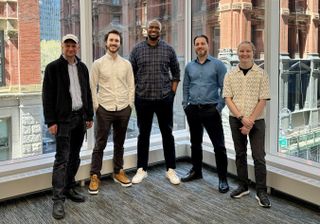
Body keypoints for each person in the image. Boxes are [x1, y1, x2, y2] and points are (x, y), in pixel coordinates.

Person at [42, 34, 94, 219]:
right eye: (67, 46)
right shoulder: (52, 68)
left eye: (73, 46)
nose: (71, 49)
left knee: (74, 157)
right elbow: (47, 96)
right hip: (63, 121)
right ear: (62, 47)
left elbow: (86, 92)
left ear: (77, 47)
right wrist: (51, 121)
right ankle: (58, 199)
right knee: (61, 160)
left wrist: (89, 115)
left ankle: (69, 187)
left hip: (80, 118)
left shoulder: (83, 67)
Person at [129, 19, 181, 185]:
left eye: (156, 28)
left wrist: (172, 94)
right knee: (143, 135)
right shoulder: (137, 50)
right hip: (143, 99)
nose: (153, 30)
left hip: (164, 99)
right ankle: (142, 169)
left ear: (160, 30)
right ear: (146, 30)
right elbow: (131, 76)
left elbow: (176, 73)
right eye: (150, 27)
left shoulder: (168, 49)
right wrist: (135, 95)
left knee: (167, 134)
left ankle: (171, 170)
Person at [223, 41, 271, 208]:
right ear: (238, 53)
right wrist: (242, 117)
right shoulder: (230, 74)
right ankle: (243, 186)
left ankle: (261, 191)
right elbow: (227, 98)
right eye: (241, 51)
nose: (244, 54)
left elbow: (263, 99)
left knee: (259, 157)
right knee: (240, 153)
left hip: (256, 121)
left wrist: (249, 122)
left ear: (253, 52)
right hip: (236, 118)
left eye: (248, 51)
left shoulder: (261, 74)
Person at [88, 30, 135, 194]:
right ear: (106, 43)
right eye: (111, 40)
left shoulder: (126, 64)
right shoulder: (98, 63)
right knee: (99, 144)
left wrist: (130, 105)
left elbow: (131, 86)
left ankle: (118, 171)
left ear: (119, 44)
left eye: (117, 40)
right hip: (104, 109)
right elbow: (92, 87)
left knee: (119, 143)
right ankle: (95, 175)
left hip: (123, 108)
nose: (114, 43)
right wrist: (96, 107)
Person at [181, 34, 229, 193]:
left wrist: (219, 107)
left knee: (219, 146)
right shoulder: (189, 66)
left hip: (211, 110)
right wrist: (185, 104)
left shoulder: (218, 65)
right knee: (195, 143)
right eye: (197, 44)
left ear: (208, 45)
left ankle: (222, 179)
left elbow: (225, 88)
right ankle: (197, 171)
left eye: (202, 43)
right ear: (194, 47)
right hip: (193, 109)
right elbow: (186, 86)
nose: (200, 46)